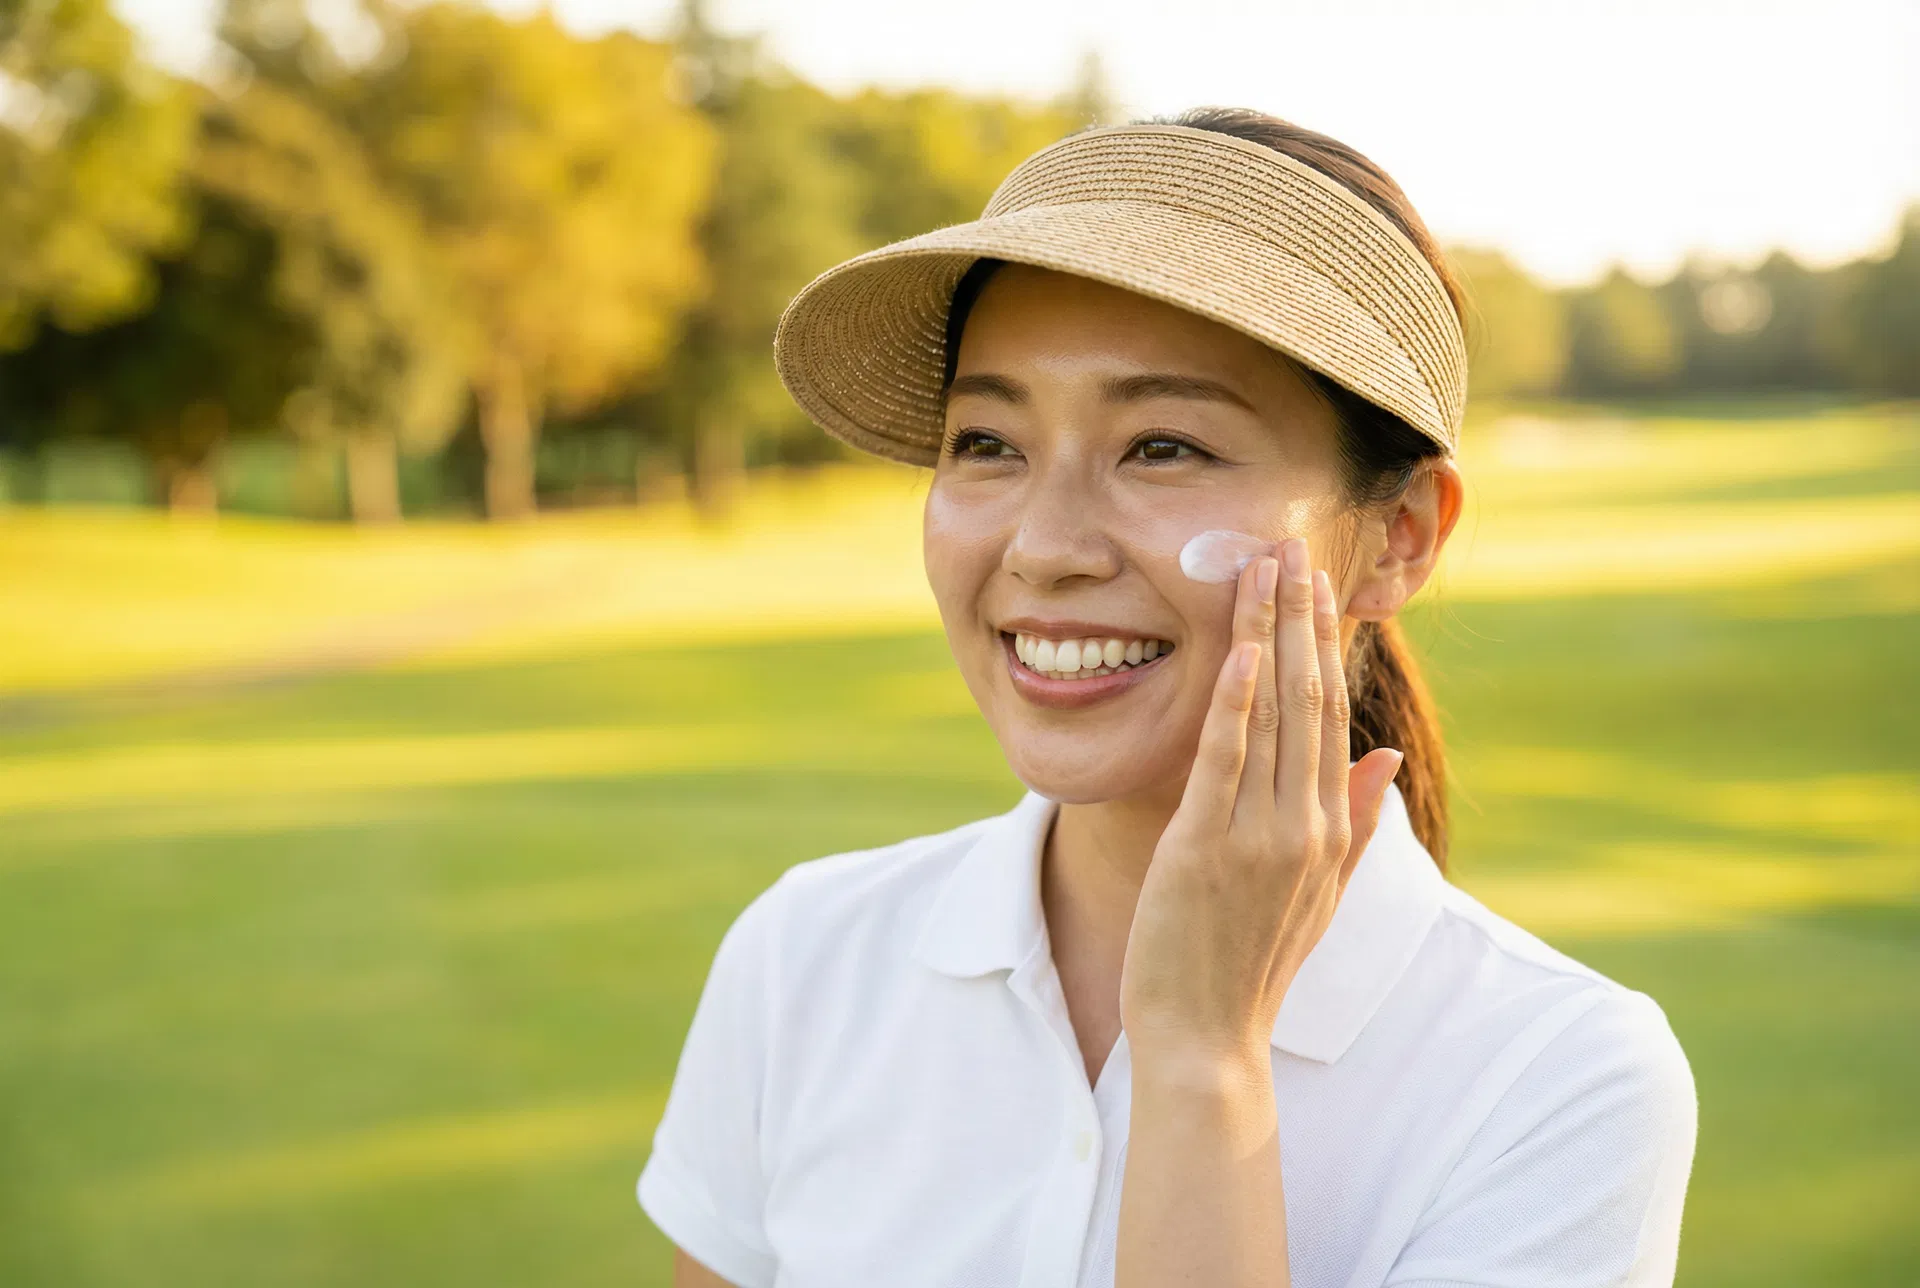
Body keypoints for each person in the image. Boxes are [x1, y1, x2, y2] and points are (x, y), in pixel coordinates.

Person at [636, 107, 1698, 1288]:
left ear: (1398, 535)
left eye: (1164, 447)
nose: (1043, 546)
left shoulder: (1559, 1079)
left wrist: (1201, 1065)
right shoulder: (805, 957)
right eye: (987, 442)